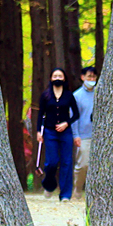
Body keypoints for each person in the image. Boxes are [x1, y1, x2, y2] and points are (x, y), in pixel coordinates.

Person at [36, 67, 80, 202]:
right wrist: (39, 131)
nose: (57, 78)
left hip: (65, 133)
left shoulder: (69, 95)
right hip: (49, 132)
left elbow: (76, 114)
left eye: (60, 76)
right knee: (52, 161)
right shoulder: (45, 95)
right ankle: (49, 186)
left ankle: (65, 194)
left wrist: (66, 123)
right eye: (55, 76)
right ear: (51, 78)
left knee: (66, 162)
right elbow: (40, 114)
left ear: (64, 78)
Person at [72, 65, 98, 196]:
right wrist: (76, 135)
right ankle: (77, 189)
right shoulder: (76, 96)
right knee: (83, 164)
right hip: (84, 135)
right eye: (89, 76)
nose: (91, 79)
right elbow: (74, 117)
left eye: (94, 77)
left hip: (99, 135)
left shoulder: (101, 93)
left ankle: (95, 192)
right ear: (83, 77)